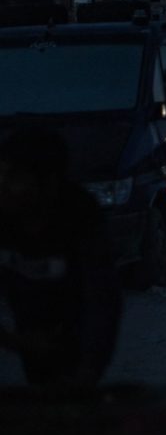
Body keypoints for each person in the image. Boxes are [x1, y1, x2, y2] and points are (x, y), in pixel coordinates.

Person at [0, 128, 122, 387]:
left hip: (72, 333)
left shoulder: (80, 216)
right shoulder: (6, 215)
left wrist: (89, 369)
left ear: (49, 182)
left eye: (15, 177)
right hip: (29, 329)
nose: (4, 186)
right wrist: (14, 340)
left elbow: (101, 298)